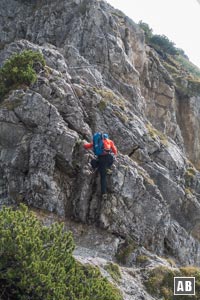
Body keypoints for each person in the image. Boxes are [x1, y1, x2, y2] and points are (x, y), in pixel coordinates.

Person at [84, 133, 117, 199]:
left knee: (103, 176)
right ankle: (107, 168)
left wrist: (84, 144)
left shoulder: (97, 142)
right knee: (104, 170)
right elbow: (115, 151)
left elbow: (86, 146)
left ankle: (104, 193)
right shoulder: (110, 141)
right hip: (109, 158)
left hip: (101, 159)